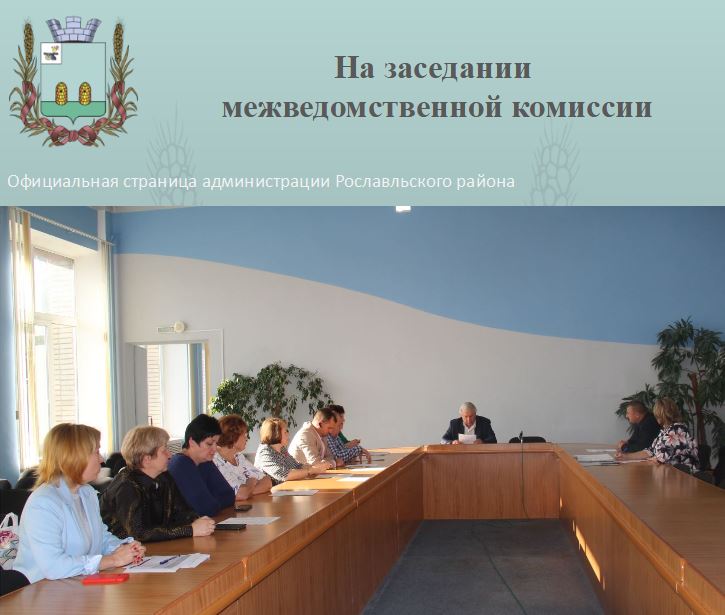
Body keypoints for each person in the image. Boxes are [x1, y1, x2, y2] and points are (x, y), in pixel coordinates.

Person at [13, 423, 145, 583]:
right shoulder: (43, 503)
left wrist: (124, 548)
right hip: (40, 589)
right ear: (75, 457)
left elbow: (101, 538)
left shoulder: (86, 492)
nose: (101, 459)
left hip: (75, 584)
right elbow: (54, 566)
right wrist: (113, 560)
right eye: (96, 452)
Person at [100, 426, 216, 542]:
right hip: (125, 549)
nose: (170, 455)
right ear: (147, 459)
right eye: (164, 450)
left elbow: (183, 511)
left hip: (157, 546)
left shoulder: (163, 476)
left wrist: (198, 521)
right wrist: (190, 530)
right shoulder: (126, 486)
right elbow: (139, 533)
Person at [167, 414, 235, 516]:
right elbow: (207, 508)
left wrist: (211, 502)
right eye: (209, 444)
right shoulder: (181, 464)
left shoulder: (204, 460)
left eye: (216, 443)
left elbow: (229, 496)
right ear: (192, 442)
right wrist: (211, 502)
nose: (214, 449)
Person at [615, 398, 699, 469]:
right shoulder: (666, 430)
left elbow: (660, 459)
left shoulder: (677, 430)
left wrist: (652, 459)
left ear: (661, 414)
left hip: (683, 475)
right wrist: (626, 457)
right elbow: (650, 451)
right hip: (668, 472)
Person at [254, 418, 328, 484]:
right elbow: (283, 474)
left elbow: (297, 466)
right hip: (270, 493)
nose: (288, 434)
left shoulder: (282, 449)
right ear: (276, 434)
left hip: (285, 489)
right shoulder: (264, 452)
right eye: (285, 432)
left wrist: (316, 467)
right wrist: (311, 471)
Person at [214, 415, 272, 498]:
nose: (246, 438)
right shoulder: (215, 461)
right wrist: (251, 481)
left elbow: (267, 481)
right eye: (244, 435)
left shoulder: (238, 456)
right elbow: (241, 495)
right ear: (233, 437)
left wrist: (248, 491)